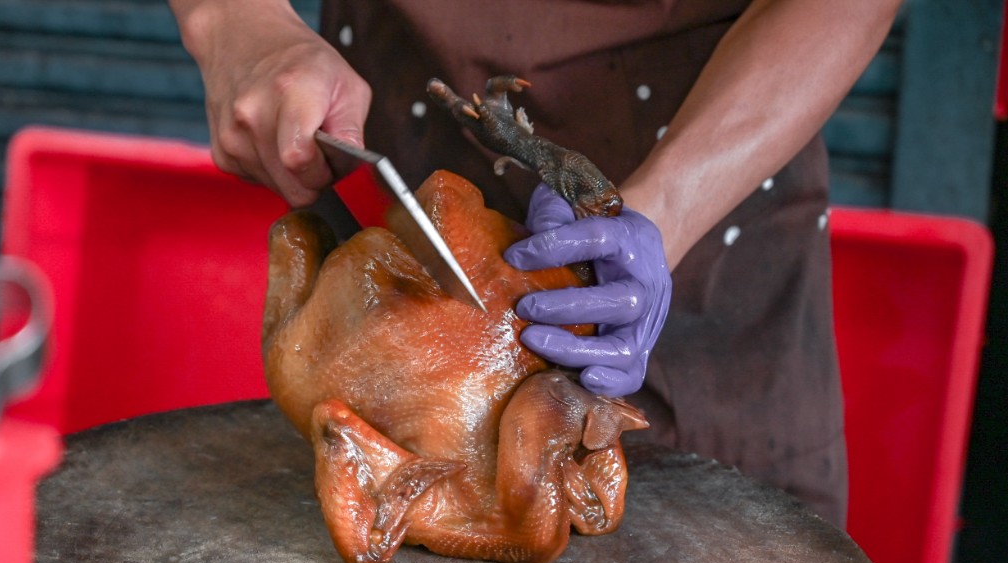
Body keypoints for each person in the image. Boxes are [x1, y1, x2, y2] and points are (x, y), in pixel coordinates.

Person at [168, 0, 903, 528]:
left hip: (720, 180)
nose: (459, 202)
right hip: (398, 104)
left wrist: (668, 204)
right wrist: (236, 22)